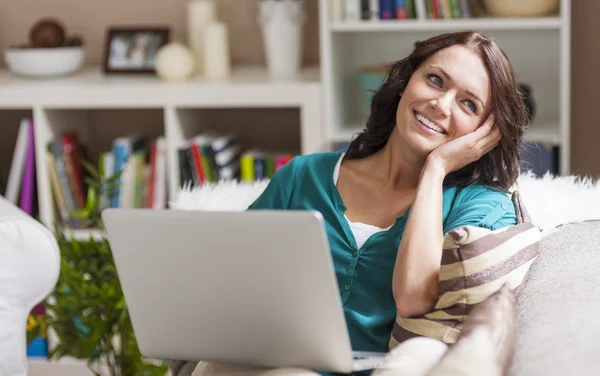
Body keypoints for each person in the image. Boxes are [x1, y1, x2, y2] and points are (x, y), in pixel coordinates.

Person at [173, 30, 527, 376]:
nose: (441, 104)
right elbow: (232, 277)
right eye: (435, 80)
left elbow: (414, 298)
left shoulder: (482, 206)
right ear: (405, 83)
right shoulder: (302, 176)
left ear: (486, 131)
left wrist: (435, 170)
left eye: (468, 104)